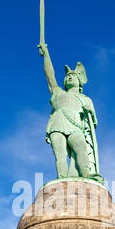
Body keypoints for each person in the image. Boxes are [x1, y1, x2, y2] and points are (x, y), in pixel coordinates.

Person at [38, 41, 101, 181]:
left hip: (76, 127)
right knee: (59, 153)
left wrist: (89, 111)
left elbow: (92, 123)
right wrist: (46, 54)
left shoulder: (86, 99)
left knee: (81, 146)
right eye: (67, 76)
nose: (69, 77)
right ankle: (62, 178)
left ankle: (86, 173)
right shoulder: (58, 93)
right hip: (57, 124)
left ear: (79, 82)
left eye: (73, 76)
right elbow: (50, 75)